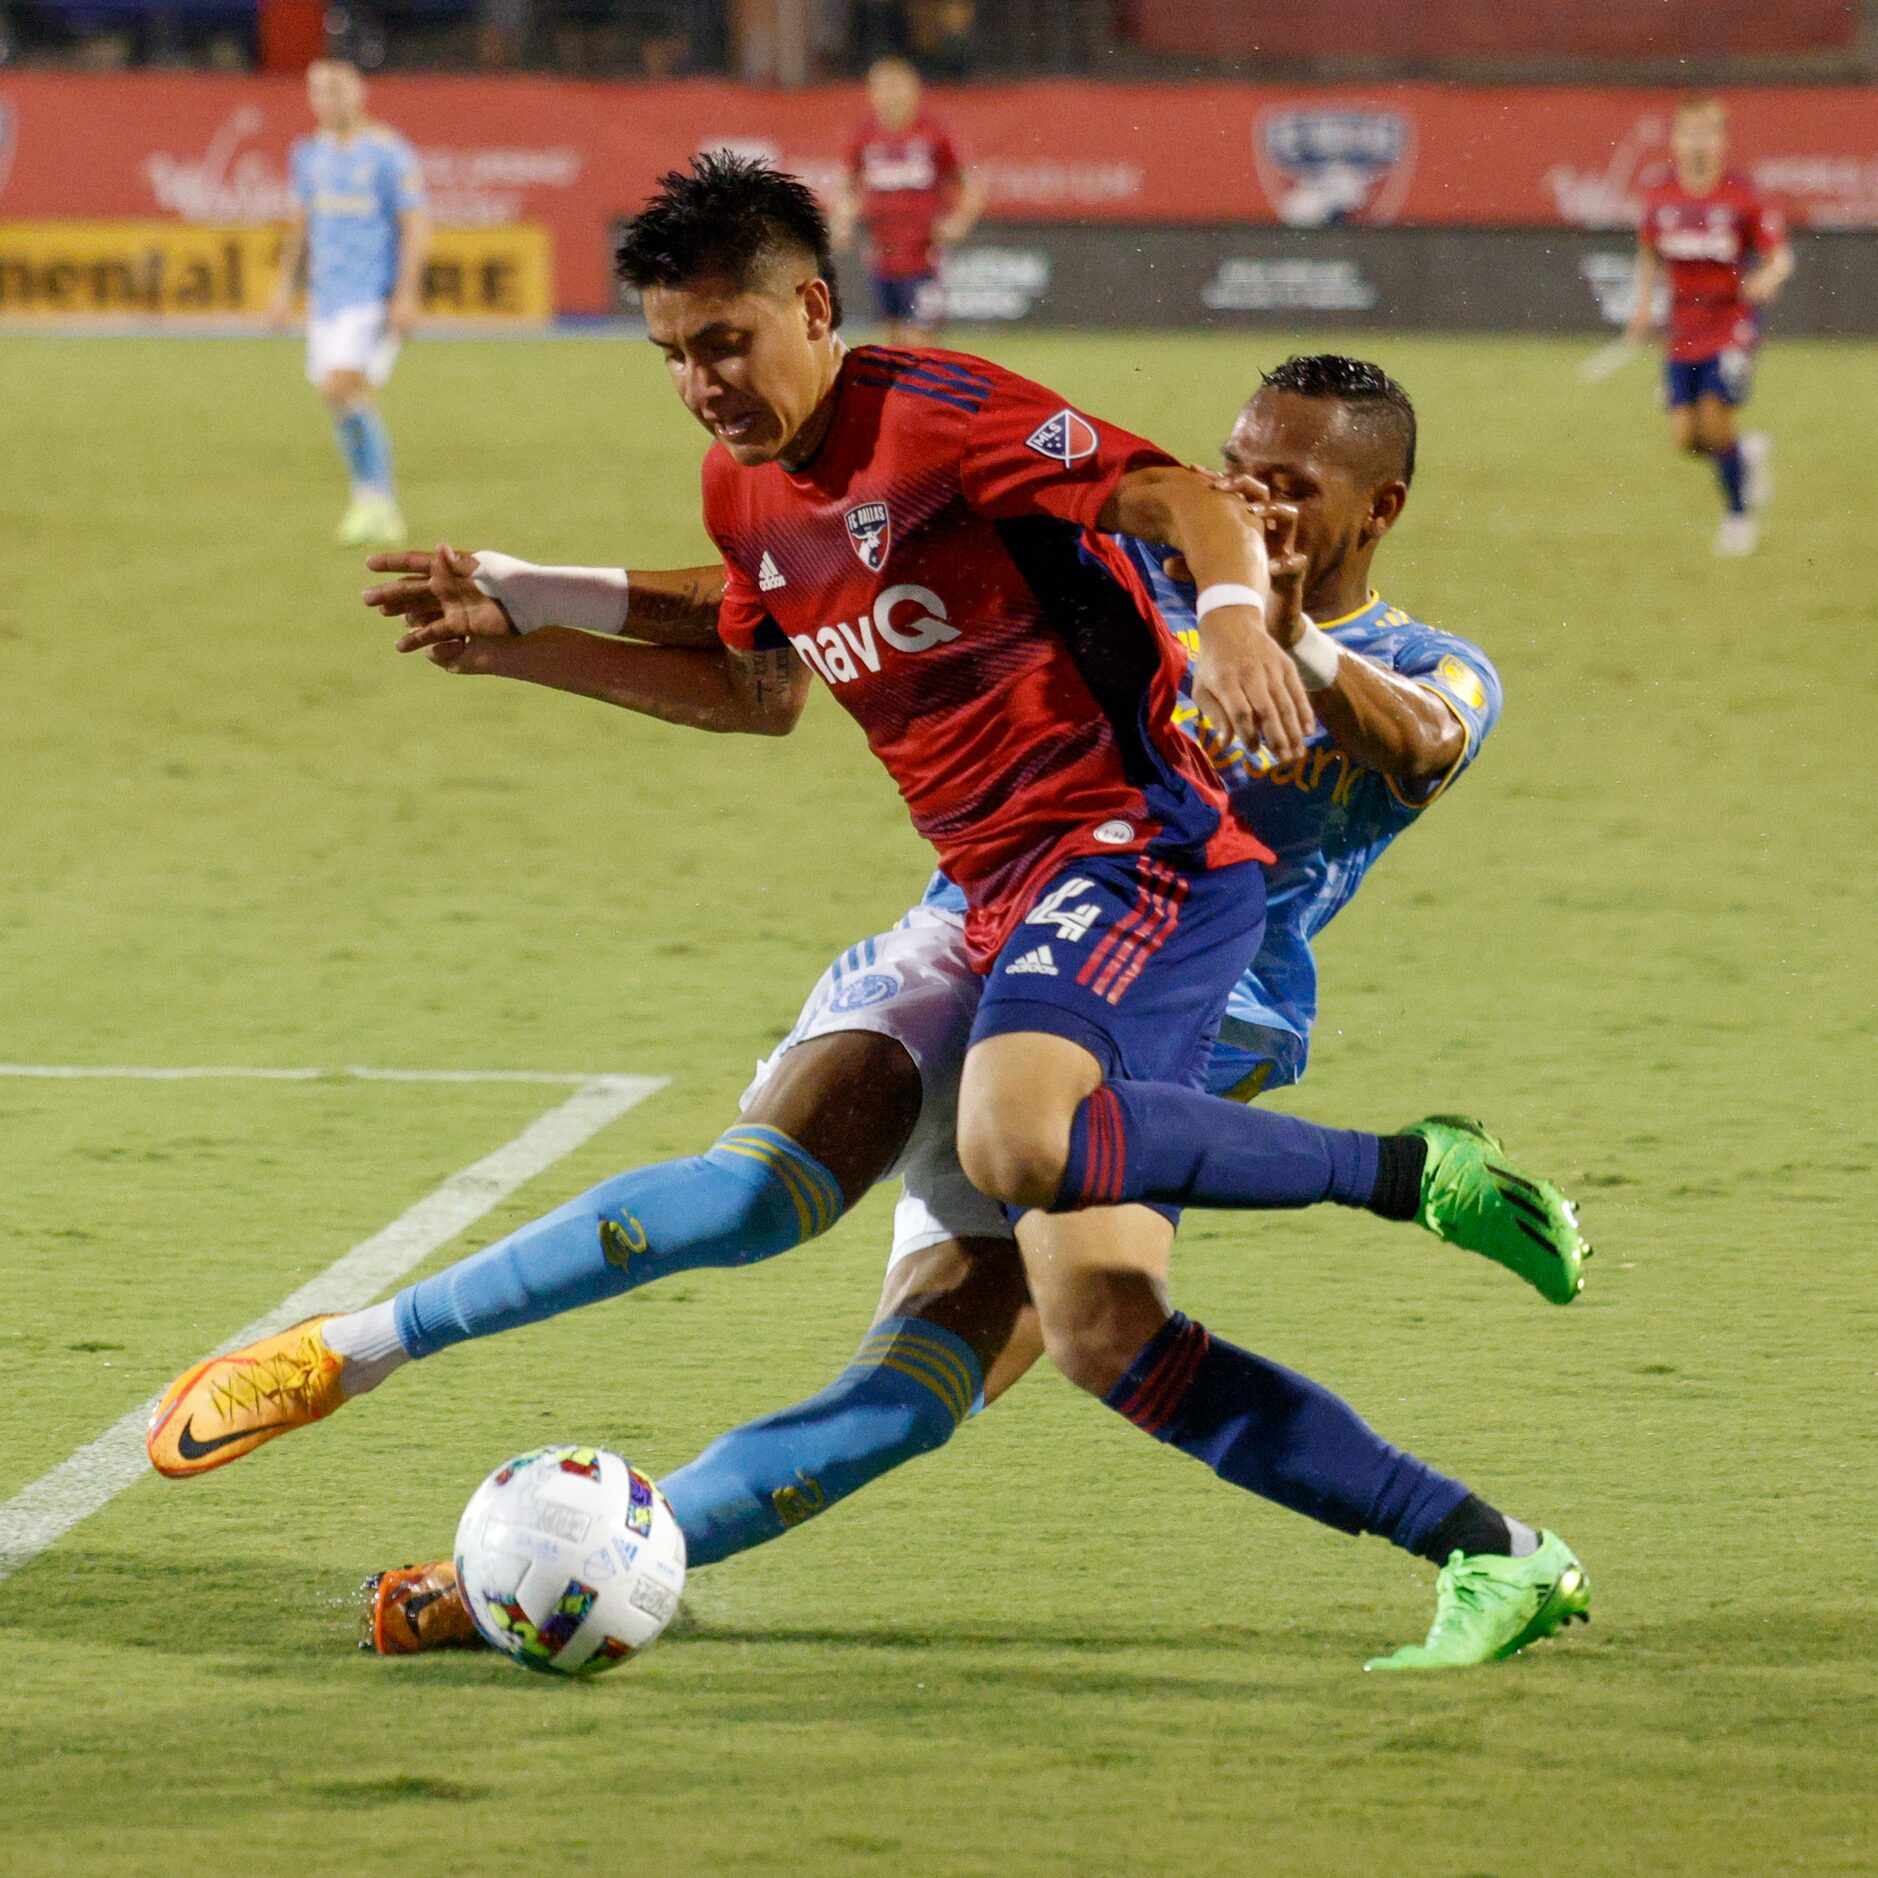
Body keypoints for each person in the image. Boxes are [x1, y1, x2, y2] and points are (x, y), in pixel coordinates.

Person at [150, 158, 1590, 1669]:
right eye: (1244, 466)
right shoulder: (1154, 566)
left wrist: (1262, 624)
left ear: (1381, 507)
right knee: (751, 1191)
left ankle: (1453, 1409)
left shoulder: (1423, 659)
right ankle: (352, 1363)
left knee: (1041, 1344)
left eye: (1289, 484)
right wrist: (529, 602)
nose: (1251, 500)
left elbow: (1413, 734)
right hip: (988, 909)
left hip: (1184, 980)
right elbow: (798, 597)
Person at [268, 58, 430, 549]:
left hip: (371, 296)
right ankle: (370, 499)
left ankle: (380, 501)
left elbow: (416, 225)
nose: (327, 99)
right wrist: (283, 288)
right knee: (338, 397)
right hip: (326, 298)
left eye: (337, 89)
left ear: (359, 93)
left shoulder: (389, 154)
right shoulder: (308, 155)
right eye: (318, 90)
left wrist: (407, 293)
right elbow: (301, 227)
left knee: (344, 386)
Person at [1625, 96, 1792, 558]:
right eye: (1689, 132)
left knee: (1716, 418)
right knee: (1686, 438)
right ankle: (1745, 454)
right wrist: (1642, 305)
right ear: (1675, 140)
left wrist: (1766, 277)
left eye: (1707, 133)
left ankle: (1738, 517)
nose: (1698, 142)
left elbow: (1780, 256)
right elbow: (1649, 255)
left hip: (1731, 323)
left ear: (1722, 141)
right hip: (1682, 330)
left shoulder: (1742, 195)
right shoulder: (1660, 196)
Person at [830, 57, 984, 344]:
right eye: (882, 89)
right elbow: (847, 186)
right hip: (882, 256)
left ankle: (927, 387)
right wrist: (842, 220)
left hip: (924, 256)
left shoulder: (934, 134)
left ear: (914, 91)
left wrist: (957, 222)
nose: (890, 97)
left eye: (897, 88)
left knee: (917, 341)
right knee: (890, 343)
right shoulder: (864, 136)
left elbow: (972, 183)